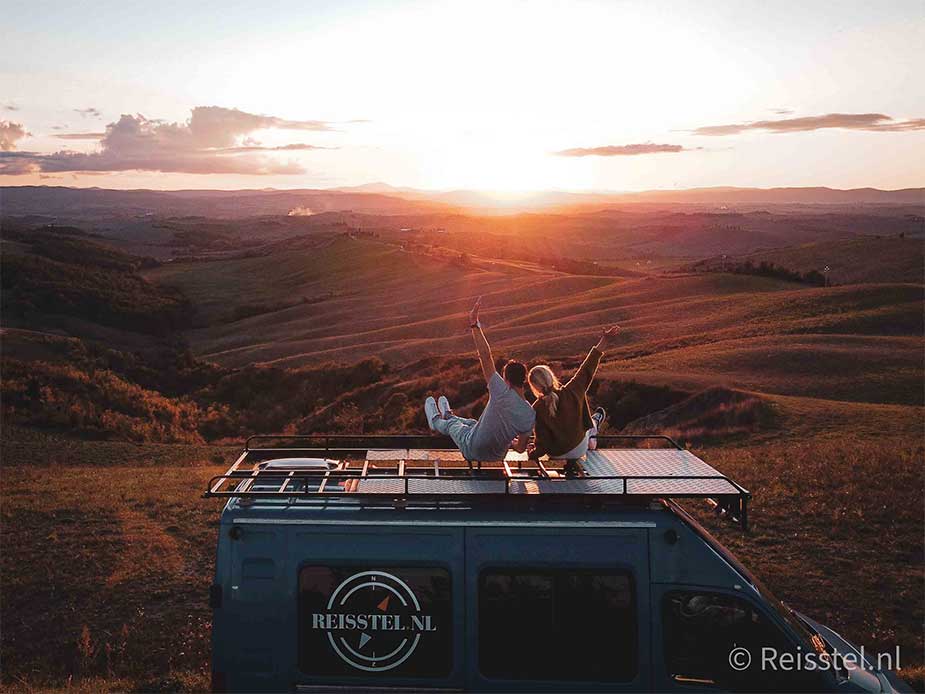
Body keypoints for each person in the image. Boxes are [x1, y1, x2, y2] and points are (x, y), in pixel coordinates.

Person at [425, 297, 535, 461]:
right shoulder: (530, 415)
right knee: (471, 424)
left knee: (453, 426)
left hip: (473, 449)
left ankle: (436, 421)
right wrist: (510, 442)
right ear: (524, 380)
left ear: (506, 381)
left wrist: (474, 325)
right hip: (497, 456)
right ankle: (449, 414)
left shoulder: (502, 393)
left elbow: (485, 357)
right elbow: (520, 449)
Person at [527, 326, 620, 468]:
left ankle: (593, 426)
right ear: (551, 377)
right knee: (588, 427)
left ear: (534, 386)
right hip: (578, 449)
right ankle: (594, 424)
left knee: (585, 428)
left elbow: (542, 442)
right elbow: (588, 366)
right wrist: (605, 339)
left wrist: (532, 453)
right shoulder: (572, 390)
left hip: (555, 453)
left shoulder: (537, 408)